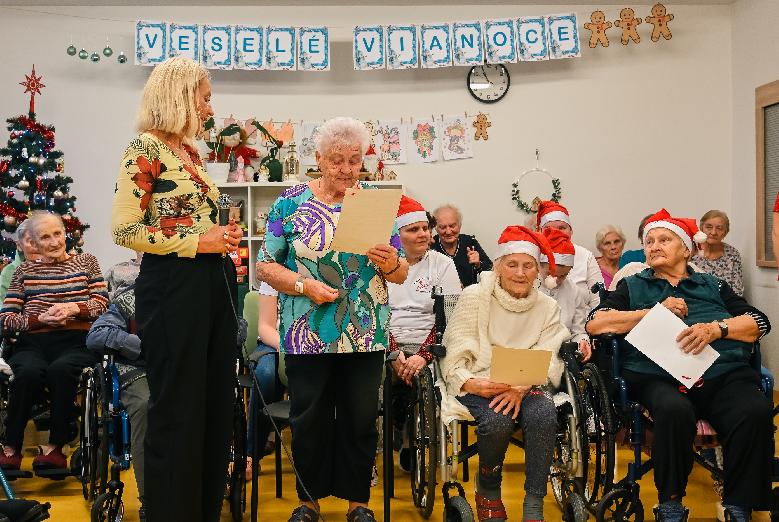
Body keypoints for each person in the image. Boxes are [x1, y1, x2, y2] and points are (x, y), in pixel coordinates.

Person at [256, 116, 409, 522]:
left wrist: (392, 261)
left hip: (365, 329)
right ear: (319, 159)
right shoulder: (290, 202)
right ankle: (308, 503)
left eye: (354, 161)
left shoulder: (375, 201)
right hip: (307, 331)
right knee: (310, 418)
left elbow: (400, 274)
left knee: (361, 417)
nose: (345, 169)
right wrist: (305, 287)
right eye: (337, 160)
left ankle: (358, 502)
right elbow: (266, 266)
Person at [111, 56, 243, 522]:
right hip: (172, 288)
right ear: (181, 96)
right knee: (179, 409)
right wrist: (197, 241)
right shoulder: (143, 148)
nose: (210, 108)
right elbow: (124, 230)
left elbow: (199, 219)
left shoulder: (191, 154)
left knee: (212, 408)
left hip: (211, 284)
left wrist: (222, 238)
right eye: (205, 97)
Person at [586, 208, 772, 522]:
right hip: (657, 376)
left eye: (664, 239)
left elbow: (758, 322)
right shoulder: (633, 286)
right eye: (649, 241)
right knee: (673, 410)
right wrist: (653, 312)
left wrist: (716, 329)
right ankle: (671, 503)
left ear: (686, 249)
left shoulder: (711, 285)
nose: (654, 245)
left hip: (722, 374)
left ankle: (739, 503)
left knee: (754, 410)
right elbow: (596, 323)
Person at [439, 225, 569, 522]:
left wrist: (521, 385)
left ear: (538, 272)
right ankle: (488, 490)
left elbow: (550, 355)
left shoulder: (548, 306)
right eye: (512, 264)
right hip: (481, 380)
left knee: (543, 414)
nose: (520, 273)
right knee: (497, 419)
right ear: (498, 267)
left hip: (528, 381)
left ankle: (534, 502)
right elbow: (456, 350)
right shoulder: (475, 296)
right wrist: (471, 382)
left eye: (528, 266)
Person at [0, 211, 107, 471]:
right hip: (34, 342)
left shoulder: (87, 263)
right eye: (44, 237)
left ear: (65, 233)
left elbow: (102, 305)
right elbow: (7, 318)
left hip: (77, 341)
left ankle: (56, 447)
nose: (54, 242)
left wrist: (73, 309)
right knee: (26, 372)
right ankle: (11, 447)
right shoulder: (24, 271)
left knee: (61, 370)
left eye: (57, 234)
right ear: (34, 243)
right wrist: (40, 319)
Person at [386, 195, 461, 470]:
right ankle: (375, 447)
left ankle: (409, 440)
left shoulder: (442, 264)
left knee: (424, 379)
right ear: (398, 234)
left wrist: (424, 354)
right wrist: (394, 352)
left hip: (429, 344)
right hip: (388, 344)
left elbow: (451, 317)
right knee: (369, 381)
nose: (423, 234)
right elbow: (375, 314)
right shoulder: (382, 265)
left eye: (425, 228)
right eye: (413, 229)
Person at [86, 264, 148, 522]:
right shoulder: (129, 298)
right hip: (138, 370)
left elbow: (237, 327)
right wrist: (141, 345)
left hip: (185, 369)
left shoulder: (197, 293)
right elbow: (97, 335)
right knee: (147, 405)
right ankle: (151, 499)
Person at [245, 281, 283, 478]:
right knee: (265, 375)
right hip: (272, 342)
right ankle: (251, 454)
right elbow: (265, 328)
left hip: (311, 347)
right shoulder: (273, 271)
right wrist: (286, 347)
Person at [535, 201, 602, 308]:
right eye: (549, 229)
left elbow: (598, 300)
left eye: (562, 228)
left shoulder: (586, 256)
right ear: (539, 232)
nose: (556, 233)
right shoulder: (531, 256)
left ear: (571, 231)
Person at [539, 227, 593, 361]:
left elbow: (578, 330)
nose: (556, 280)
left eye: (562, 276)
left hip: (561, 355)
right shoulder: (528, 287)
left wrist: (582, 340)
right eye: (550, 274)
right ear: (539, 266)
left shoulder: (573, 291)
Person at [432, 204, 492, 287]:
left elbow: (491, 271)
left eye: (452, 226)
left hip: (469, 296)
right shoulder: (430, 246)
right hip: (439, 297)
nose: (448, 231)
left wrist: (478, 264)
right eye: (442, 227)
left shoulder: (470, 242)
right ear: (436, 228)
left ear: (459, 225)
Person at [692, 210, 744, 296]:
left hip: (726, 303)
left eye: (719, 228)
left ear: (725, 232)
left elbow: (737, 290)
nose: (713, 232)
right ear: (701, 228)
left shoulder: (732, 254)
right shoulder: (690, 252)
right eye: (709, 227)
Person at [0, 220, 42, 303]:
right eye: (31, 241)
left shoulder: (58, 267)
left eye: (41, 239)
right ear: (19, 245)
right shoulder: (10, 272)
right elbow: (4, 307)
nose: (37, 246)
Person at [595, 225, 626, 290]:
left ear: (622, 244)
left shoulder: (628, 265)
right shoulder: (593, 267)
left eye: (617, 242)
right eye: (607, 243)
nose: (613, 247)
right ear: (600, 248)